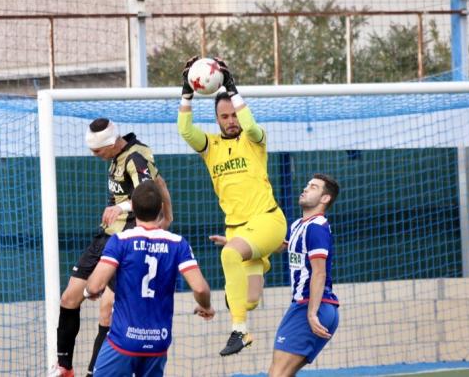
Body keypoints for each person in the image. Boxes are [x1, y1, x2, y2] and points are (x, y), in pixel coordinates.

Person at [177, 56, 287, 356]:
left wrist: (232, 88)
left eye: (233, 115)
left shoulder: (254, 141)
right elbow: (186, 131)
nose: (231, 121)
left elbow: (251, 126)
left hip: (268, 221)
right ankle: (261, 259)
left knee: (229, 255)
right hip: (238, 229)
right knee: (248, 299)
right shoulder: (210, 147)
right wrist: (186, 93)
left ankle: (240, 331)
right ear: (217, 120)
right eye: (224, 117)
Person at [53, 118, 173, 377]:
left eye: (96, 151)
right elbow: (160, 182)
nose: (94, 155)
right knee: (69, 298)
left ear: (110, 143)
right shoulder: (116, 158)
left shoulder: (136, 156)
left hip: (129, 238)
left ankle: (93, 373)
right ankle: (64, 366)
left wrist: (123, 207)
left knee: (107, 310)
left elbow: (149, 189)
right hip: (106, 236)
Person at [84, 180, 215, 376]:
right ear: (161, 208)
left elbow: (95, 286)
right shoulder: (178, 244)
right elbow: (201, 289)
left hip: (123, 341)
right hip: (157, 343)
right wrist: (206, 306)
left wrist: (88, 291)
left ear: (133, 209)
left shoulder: (120, 241)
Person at [269, 173, 340, 377]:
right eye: (307, 184)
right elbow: (279, 246)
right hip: (313, 306)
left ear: (325, 199)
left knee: (277, 373)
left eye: (314, 187)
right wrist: (238, 243)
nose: (306, 188)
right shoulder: (297, 225)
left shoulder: (317, 227)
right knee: (284, 373)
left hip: (310, 305)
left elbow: (319, 272)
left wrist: (311, 313)